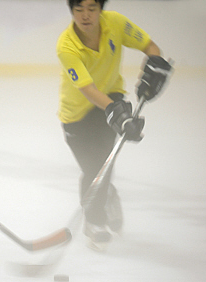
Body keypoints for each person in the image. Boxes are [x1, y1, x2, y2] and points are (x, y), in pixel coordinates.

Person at [57, 0, 172, 250]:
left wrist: (154, 66)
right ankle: (107, 194)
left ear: (101, 8)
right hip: (76, 114)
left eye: (91, 8)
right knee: (93, 167)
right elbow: (87, 89)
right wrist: (117, 114)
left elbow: (150, 46)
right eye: (79, 9)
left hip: (111, 99)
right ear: (71, 11)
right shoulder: (66, 46)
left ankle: (94, 222)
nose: (85, 15)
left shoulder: (116, 23)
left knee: (98, 168)